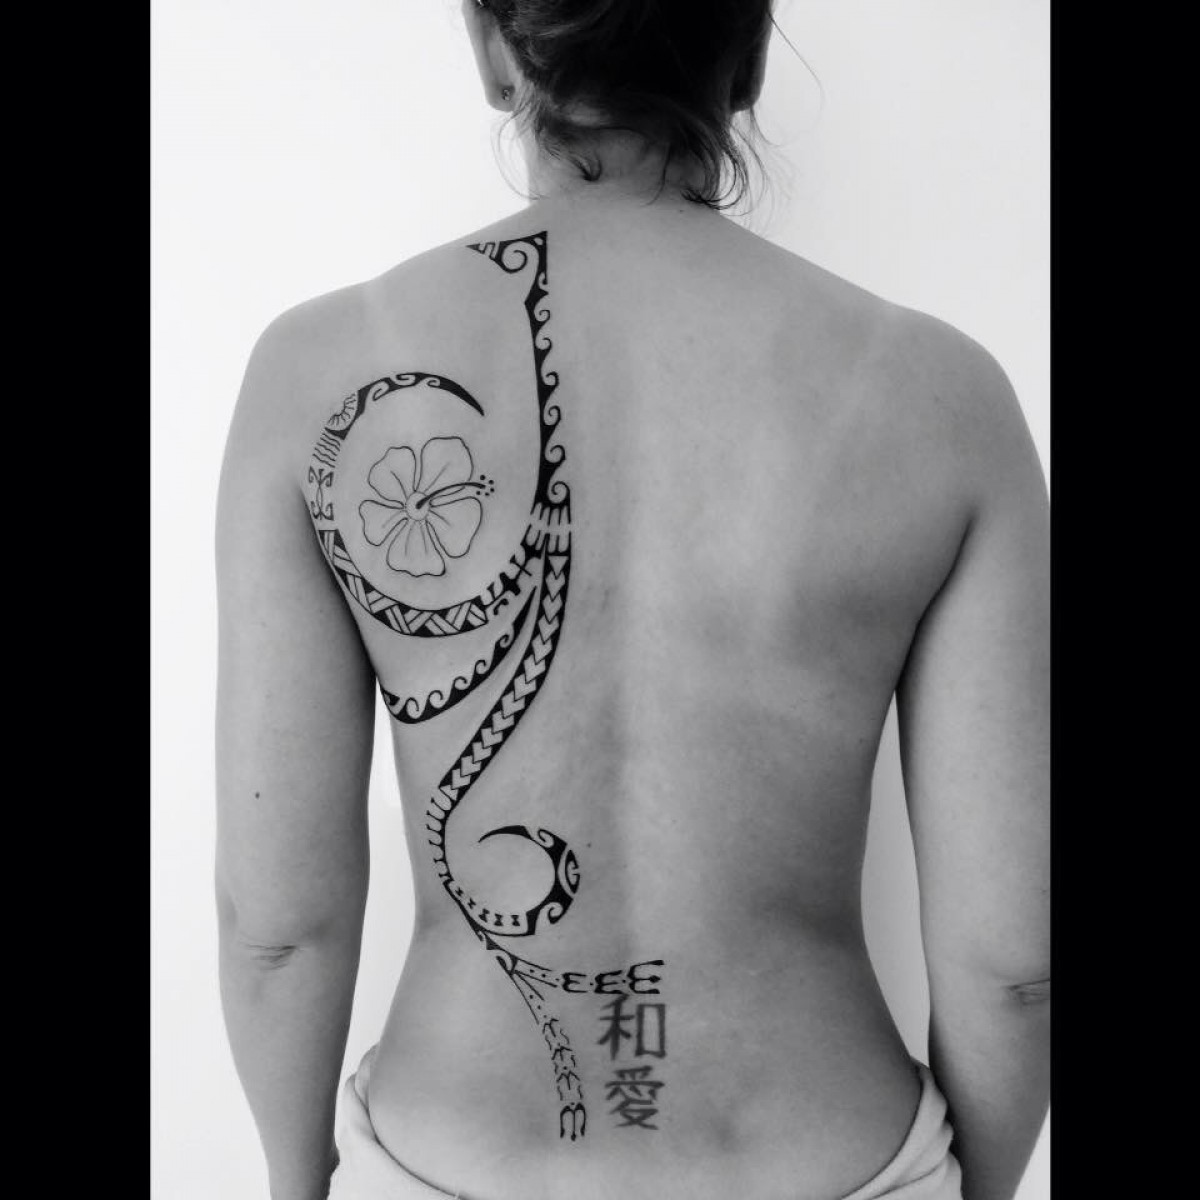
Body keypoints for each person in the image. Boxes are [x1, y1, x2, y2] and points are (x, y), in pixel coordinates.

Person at [214, 2, 1050, 1198]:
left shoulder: (320, 371)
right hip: (831, 1155)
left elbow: (275, 927)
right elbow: (1016, 963)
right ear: (747, 57)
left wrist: (302, 1185)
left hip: (450, 1157)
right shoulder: (940, 399)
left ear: (494, 49)